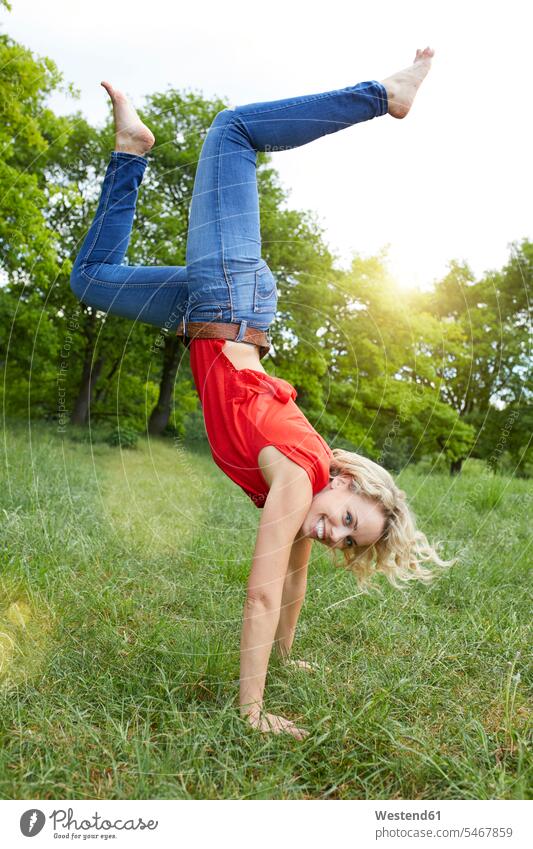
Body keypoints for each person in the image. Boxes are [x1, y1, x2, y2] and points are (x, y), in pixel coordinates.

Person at [70, 47, 451, 740]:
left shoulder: (307, 496)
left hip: (213, 312)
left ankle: (131, 150)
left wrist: (287, 654)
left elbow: (294, 582)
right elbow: (261, 591)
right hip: (229, 296)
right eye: (345, 517)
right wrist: (252, 711)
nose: (329, 531)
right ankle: (381, 95)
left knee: (92, 277)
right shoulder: (297, 480)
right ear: (342, 479)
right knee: (233, 130)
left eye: (344, 539)